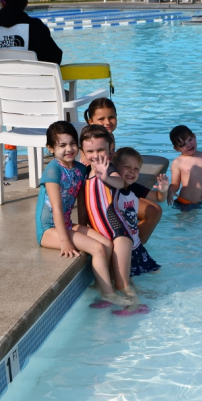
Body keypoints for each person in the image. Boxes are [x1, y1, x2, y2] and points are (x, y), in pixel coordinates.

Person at [35, 121, 130, 306]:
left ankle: (101, 284)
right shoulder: (53, 170)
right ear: (50, 148)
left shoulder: (79, 169)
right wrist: (65, 241)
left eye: (72, 144)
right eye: (62, 145)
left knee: (106, 243)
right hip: (48, 230)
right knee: (97, 248)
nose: (68, 149)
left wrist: (83, 228)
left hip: (66, 224)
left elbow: (81, 201)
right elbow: (56, 207)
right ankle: (108, 295)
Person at [83, 97, 163, 244]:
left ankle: (136, 246)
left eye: (111, 117)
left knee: (155, 210)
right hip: (107, 193)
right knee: (152, 211)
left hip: (119, 184)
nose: (107, 122)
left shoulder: (110, 137)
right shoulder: (90, 143)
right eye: (101, 119)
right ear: (90, 121)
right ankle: (134, 248)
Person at [79, 124, 138, 303]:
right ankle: (111, 297)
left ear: (110, 149)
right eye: (90, 151)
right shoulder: (86, 172)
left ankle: (136, 305)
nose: (95, 155)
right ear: (82, 151)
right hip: (102, 234)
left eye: (100, 150)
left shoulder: (109, 169)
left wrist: (106, 177)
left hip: (119, 234)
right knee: (112, 278)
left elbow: (120, 183)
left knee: (123, 285)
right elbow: (84, 205)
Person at [112, 147, 169, 276]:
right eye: (127, 167)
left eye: (136, 169)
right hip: (122, 246)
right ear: (114, 167)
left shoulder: (134, 188)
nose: (132, 171)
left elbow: (159, 198)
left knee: (157, 272)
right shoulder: (111, 191)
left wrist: (163, 190)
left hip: (136, 245)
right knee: (127, 277)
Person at [0, 0, 63, 64]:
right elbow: (54, 59)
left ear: (2, 3)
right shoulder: (36, 28)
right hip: (31, 77)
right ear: (26, 4)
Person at [167, 125, 202, 209]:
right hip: (184, 202)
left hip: (200, 203)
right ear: (177, 149)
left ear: (194, 136)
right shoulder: (177, 162)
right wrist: (171, 191)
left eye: (190, 140)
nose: (188, 145)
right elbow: (175, 183)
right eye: (183, 144)